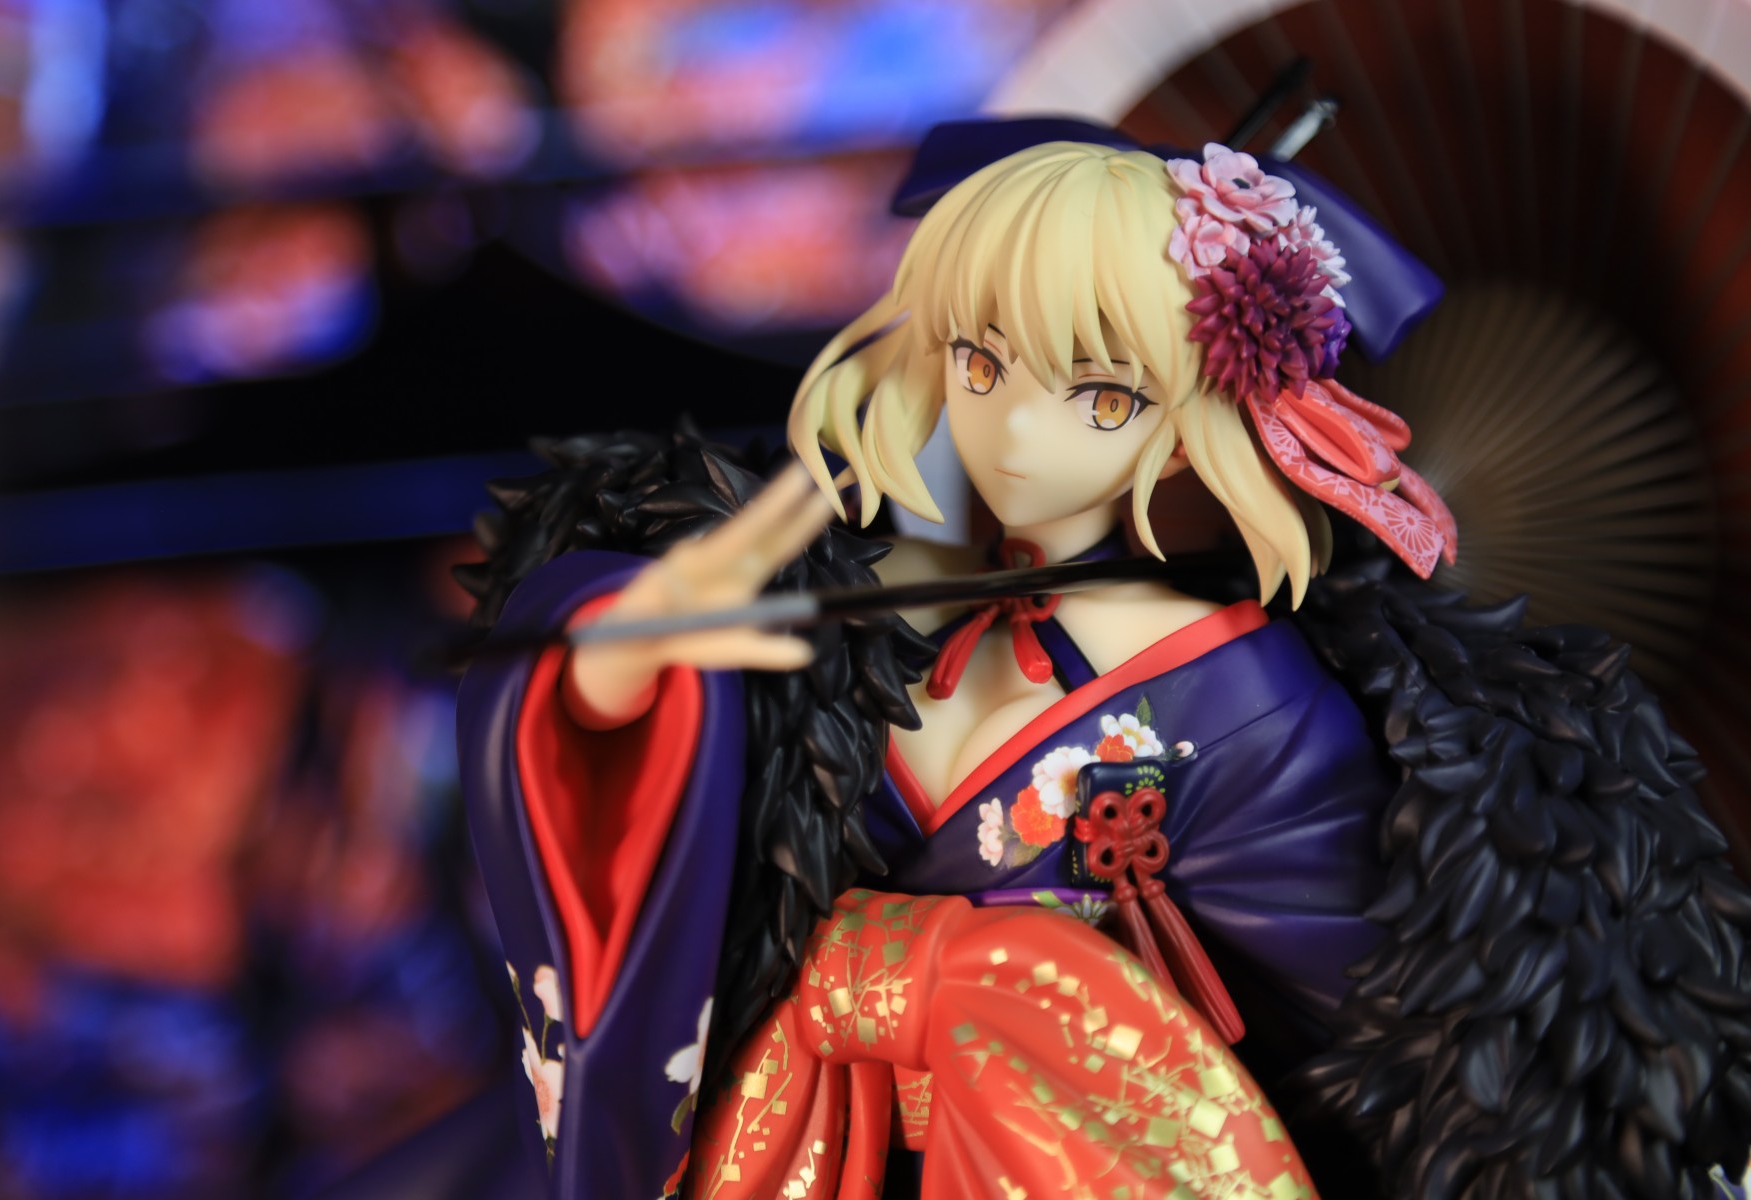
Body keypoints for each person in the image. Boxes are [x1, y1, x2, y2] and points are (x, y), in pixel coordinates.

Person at [457, 137, 1751, 1199]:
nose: (1018, 429)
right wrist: (618, 664)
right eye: (980, 362)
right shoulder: (853, 605)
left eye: (1103, 396)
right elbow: (648, 830)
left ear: (1190, 425)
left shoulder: (1233, 697)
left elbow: (1390, 1035)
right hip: (812, 1144)